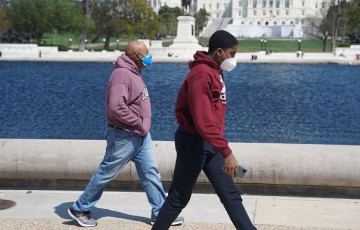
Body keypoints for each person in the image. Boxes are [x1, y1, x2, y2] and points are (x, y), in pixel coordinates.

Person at [67, 41, 183, 228]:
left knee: (150, 172)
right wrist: (137, 122)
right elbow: (115, 107)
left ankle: (160, 211)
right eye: (146, 53)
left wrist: (142, 127)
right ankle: (80, 208)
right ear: (137, 57)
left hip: (140, 136)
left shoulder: (133, 72)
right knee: (106, 173)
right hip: (125, 136)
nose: (149, 56)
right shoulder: (122, 74)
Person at [152, 30, 257, 230]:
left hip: (210, 143)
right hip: (194, 143)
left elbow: (213, 115)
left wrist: (219, 145)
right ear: (219, 52)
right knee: (178, 198)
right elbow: (203, 120)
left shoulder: (215, 70)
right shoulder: (201, 75)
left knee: (231, 195)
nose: (234, 58)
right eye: (232, 53)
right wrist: (226, 151)